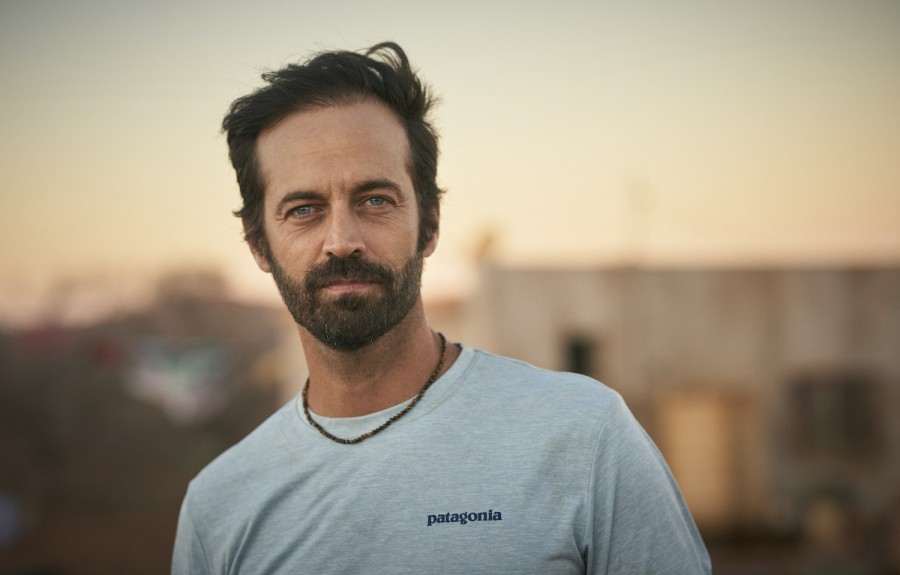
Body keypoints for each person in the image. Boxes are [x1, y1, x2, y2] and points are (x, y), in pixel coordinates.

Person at [172, 42, 711, 574]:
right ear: (259, 244)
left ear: (429, 223)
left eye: (375, 200)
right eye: (304, 209)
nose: (341, 239)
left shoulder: (585, 436)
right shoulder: (220, 505)